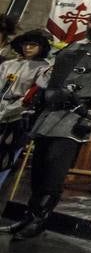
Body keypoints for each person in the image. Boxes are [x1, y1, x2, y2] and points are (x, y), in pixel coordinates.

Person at [9, 14, 91, 242]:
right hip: (50, 112)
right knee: (38, 168)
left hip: (77, 114)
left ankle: (39, 220)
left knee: (54, 170)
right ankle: (29, 216)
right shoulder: (75, 45)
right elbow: (49, 75)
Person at [0, 30, 54, 201]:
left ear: (42, 47)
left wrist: (10, 110)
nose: (28, 47)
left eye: (33, 45)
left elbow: (33, 94)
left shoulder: (44, 68)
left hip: (19, 116)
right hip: (1, 108)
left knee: (8, 158)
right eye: (25, 44)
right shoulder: (8, 65)